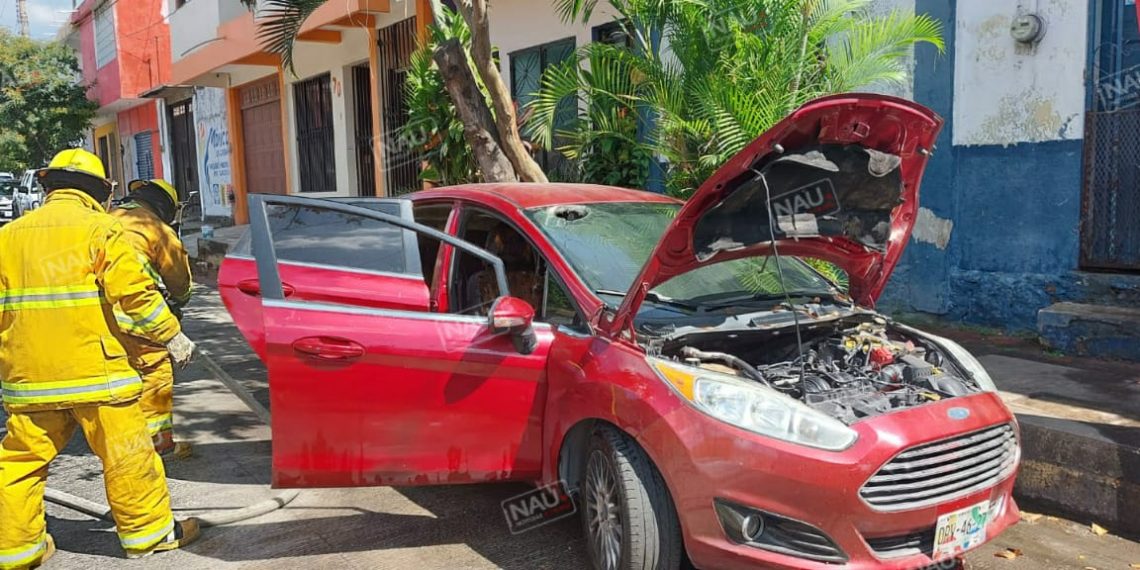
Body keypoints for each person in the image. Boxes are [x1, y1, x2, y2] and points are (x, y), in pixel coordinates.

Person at [0, 149, 200, 569]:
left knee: (19, 462)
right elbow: (136, 295)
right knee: (127, 452)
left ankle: (16, 550)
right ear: (99, 191)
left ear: (48, 186)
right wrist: (173, 336)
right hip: (98, 375)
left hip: (29, 378)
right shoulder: (101, 230)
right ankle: (148, 535)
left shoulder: (8, 237)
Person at [111, 178, 193, 457]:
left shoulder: (102, 221)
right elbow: (179, 282)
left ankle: (119, 440)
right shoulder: (155, 229)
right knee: (154, 374)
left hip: (94, 320)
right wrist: (178, 305)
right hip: (138, 318)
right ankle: (159, 444)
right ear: (164, 206)